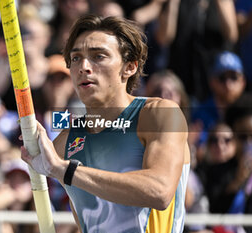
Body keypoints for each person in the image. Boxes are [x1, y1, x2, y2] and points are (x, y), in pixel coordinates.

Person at [21, 15, 190, 232]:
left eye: (98, 56)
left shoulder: (158, 113)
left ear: (129, 67)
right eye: (75, 59)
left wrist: (65, 170)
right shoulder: (64, 143)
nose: (83, 66)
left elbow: (159, 191)